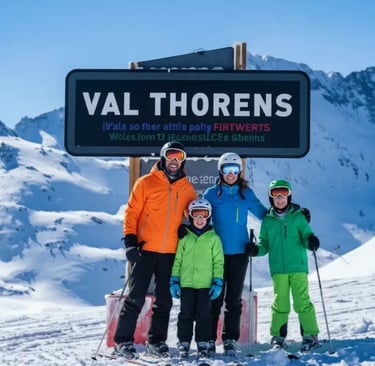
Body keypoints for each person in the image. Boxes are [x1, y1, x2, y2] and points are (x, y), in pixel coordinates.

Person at [113, 141, 197, 359]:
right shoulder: (146, 183)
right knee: (136, 297)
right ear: (162, 158)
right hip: (145, 249)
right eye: (171, 155)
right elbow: (131, 213)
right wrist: (130, 242)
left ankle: (156, 342)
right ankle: (122, 342)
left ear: (183, 160)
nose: (174, 160)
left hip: (170, 252)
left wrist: (185, 230)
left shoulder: (187, 189)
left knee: (164, 301)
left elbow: (193, 216)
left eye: (179, 156)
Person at [202, 152, 268, 358]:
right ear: (221, 171)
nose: (231, 174)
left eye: (235, 170)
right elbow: (199, 216)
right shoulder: (211, 194)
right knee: (214, 298)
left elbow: (266, 215)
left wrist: (291, 212)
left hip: (239, 252)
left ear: (239, 172)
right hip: (216, 254)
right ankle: (210, 340)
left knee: (233, 300)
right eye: (227, 170)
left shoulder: (245, 194)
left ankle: (229, 339)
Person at [246, 179, 320, 352]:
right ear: (271, 198)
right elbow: (264, 244)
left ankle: (310, 335)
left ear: (289, 196)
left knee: (302, 302)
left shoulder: (298, 217)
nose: (280, 198)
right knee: (281, 303)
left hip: (298, 267)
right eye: (275, 194)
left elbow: (307, 235)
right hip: (278, 269)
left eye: (284, 194)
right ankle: (278, 336)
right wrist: (255, 250)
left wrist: (311, 241)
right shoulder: (268, 221)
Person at [170, 198, 224, 360]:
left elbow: (218, 262)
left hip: (205, 285)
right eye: (196, 215)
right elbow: (178, 259)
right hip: (186, 284)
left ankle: (203, 342)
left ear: (209, 216)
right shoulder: (185, 237)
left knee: (204, 316)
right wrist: (174, 279)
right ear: (190, 217)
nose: (200, 219)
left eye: (203, 215)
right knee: (185, 314)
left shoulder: (213, 238)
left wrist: (217, 281)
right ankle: (184, 342)